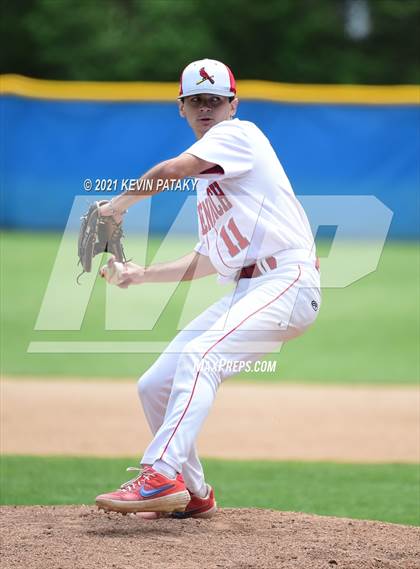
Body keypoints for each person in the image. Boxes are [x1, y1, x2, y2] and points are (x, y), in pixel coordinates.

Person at [95, 58, 321, 519]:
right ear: (181, 108)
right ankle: (194, 493)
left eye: (214, 100)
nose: (205, 108)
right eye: (195, 101)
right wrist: (141, 275)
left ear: (232, 105)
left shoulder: (238, 136)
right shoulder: (214, 178)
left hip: (288, 280)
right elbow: (209, 258)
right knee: (154, 385)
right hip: (252, 288)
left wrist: (117, 207)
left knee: (202, 358)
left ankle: (160, 473)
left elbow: (173, 169)